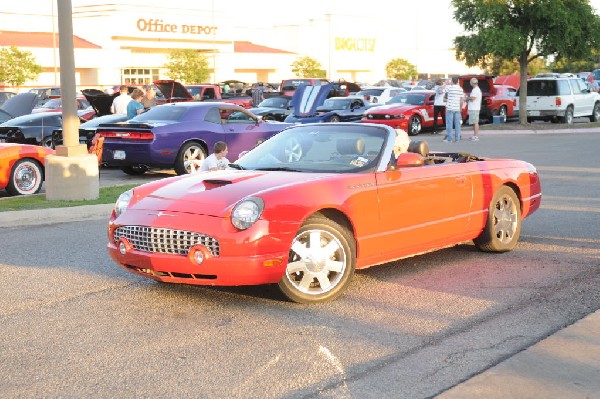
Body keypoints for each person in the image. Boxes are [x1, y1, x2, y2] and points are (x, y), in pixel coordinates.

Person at [443, 76, 465, 143]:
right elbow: (461, 100)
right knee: (457, 124)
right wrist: (460, 108)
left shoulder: (449, 88)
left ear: (452, 81)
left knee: (449, 124)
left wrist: (446, 83)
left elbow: (444, 95)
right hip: (457, 108)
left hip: (450, 108)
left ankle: (449, 139)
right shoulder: (460, 89)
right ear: (457, 81)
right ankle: (457, 138)